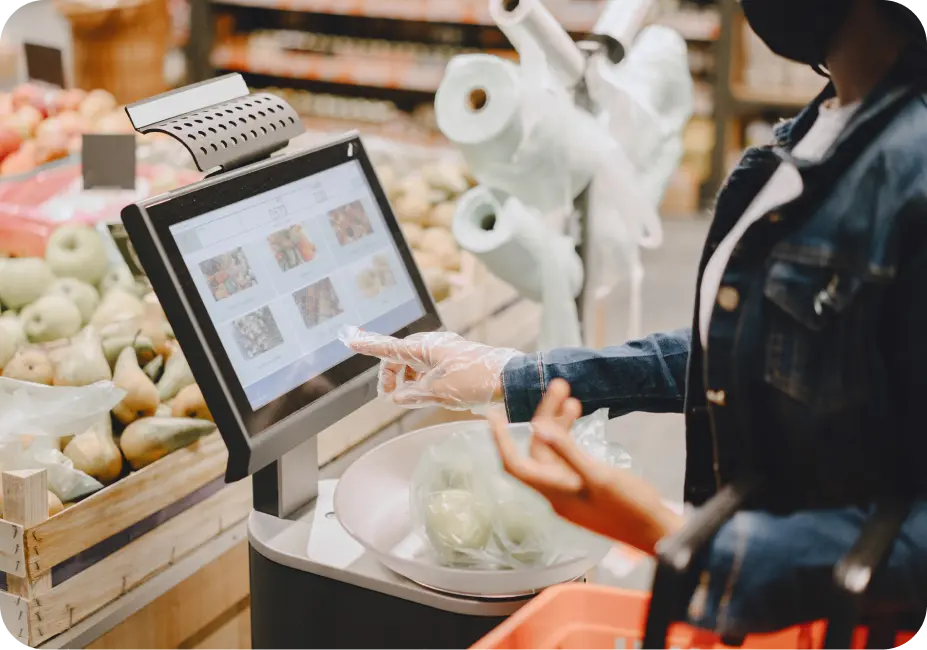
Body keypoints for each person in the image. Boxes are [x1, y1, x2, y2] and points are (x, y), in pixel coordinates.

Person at [346, 0, 927, 639]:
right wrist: (514, 375)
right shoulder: (829, 122)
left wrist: (665, 529)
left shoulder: (912, 168)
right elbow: (756, 348)